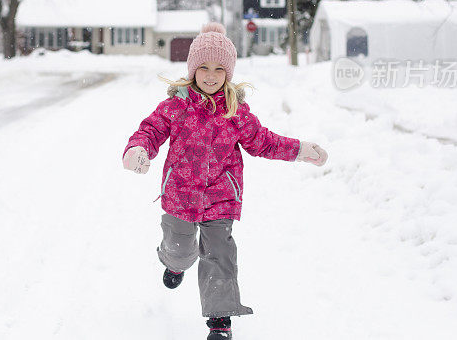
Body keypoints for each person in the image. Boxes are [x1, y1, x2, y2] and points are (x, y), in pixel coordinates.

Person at [122, 22, 328, 340]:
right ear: (192, 70)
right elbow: (150, 129)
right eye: (203, 67)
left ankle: (220, 321)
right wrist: (138, 149)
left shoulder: (235, 111)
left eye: (219, 68)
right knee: (181, 249)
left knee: (220, 254)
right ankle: (175, 264)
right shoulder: (176, 106)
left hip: (220, 197)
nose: (210, 74)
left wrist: (299, 150)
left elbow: (264, 141)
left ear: (228, 73)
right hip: (180, 195)